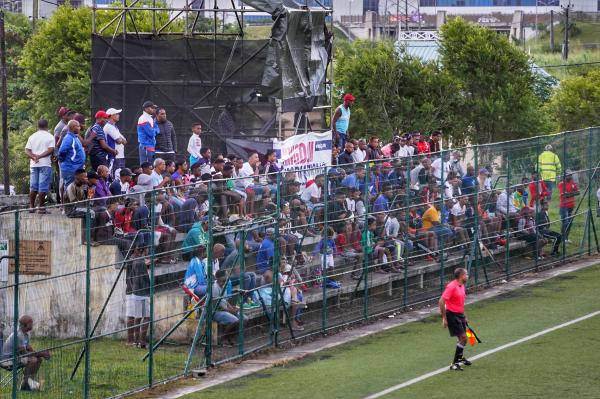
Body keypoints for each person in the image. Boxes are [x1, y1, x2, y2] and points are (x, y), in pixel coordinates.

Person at [1, 315, 50, 391]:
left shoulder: (25, 335)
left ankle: (30, 382)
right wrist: (41, 353)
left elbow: (30, 350)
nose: (32, 324)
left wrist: (41, 354)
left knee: (38, 359)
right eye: (31, 323)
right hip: (7, 361)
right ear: (25, 324)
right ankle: (25, 385)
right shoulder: (18, 335)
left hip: (16, 358)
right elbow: (24, 353)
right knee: (32, 360)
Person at [439, 268, 471, 371]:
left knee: (463, 339)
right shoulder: (451, 287)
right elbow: (441, 301)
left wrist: (464, 316)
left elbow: (460, 302)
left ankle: (460, 358)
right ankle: (454, 364)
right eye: (466, 274)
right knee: (463, 338)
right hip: (452, 315)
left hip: (459, 315)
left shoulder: (462, 286)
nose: (467, 276)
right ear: (461, 276)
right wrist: (444, 318)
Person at [25, 119, 55, 213]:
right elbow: (51, 150)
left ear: (38, 126)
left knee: (33, 186)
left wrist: (34, 157)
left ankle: (31, 206)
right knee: (43, 186)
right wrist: (40, 156)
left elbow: (26, 150)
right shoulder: (50, 136)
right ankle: (41, 208)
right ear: (47, 126)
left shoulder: (32, 136)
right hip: (45, 164)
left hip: (34, 164)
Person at [125, 241, 151, 348]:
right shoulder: (137, 261)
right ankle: (140, 341)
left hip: (132, 290)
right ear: (143, 250)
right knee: (143, 316)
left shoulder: (131, 259)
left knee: (135, 316)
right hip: (139, 291)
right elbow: (142, 277)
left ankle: (134, 341)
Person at [58, 119, 86, 189]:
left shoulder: (75, 137)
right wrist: (66, 161)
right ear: (73, 127)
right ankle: (67, 200)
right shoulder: (69, 138)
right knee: (69, 188)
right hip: (71, 168)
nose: (80, 128)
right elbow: (62, 151)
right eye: (78, 126)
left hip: (76, 168)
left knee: (75, 188)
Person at [104, 108, 127, 176]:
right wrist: (121, 139)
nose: (119, 115)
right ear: (112, 116)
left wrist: (121, 140)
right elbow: (119, 140)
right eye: (117, 114)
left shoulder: (114, 127)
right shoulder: (109, 127)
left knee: (121, 178)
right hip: (113, 157)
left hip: (119, 156)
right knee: (114, 178)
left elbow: (125, 141)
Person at [558, 170, 580, 243]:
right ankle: (562, 238)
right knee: (565, 222)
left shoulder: (573, 183)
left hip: (571, 206)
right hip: (564, 206)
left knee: (570, 223)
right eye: (568, 175)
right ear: (564, 176)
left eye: (570, 175)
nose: (570, 176)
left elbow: (578, 192)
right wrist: (572, 193)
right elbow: (563, 195)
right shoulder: (561, 184)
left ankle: (566, 238)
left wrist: (569, 194)